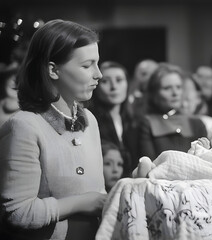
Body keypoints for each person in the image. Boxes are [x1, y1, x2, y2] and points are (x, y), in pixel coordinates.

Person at [0, 20, 106, 240]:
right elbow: (17, 212)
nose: (99, 74)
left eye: (97, 64)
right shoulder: (25, 126)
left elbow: (99, 193)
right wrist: (82, 202)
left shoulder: (90, 120)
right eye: (87, 65)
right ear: (53, 70)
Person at [138, 63, 208, 159]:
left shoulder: (196, 124)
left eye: (178, 87)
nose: (175, 93)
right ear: (154, 93)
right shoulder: (146, 124)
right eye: (167, 88)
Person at [89, 61, 139, 176]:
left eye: (119, 80)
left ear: (128, 83)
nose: (114, 87)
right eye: (105, 81)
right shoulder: (90, 119)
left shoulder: (136, 120)